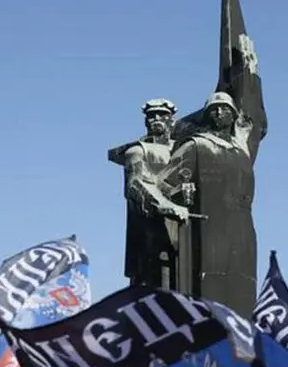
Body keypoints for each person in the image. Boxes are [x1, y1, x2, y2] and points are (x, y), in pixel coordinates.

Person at [158, 90, 266, 316]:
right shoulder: (196, 145)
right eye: (213, 109)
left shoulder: (241, 151)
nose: (219, 112)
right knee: (211, 290)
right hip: (209, 229)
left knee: (243, 291)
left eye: (225, 109)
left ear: (233, 115)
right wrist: (181, 192)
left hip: (243, 232)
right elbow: (163, 183)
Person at [110, 98, 186, 289]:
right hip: (150, 230)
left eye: (162, 115)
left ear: (172, 120)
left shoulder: (184, 150)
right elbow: (135, 184)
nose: (156, 118)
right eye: (151, 115)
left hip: (184, 231)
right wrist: (163, 203)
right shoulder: (137, 151)